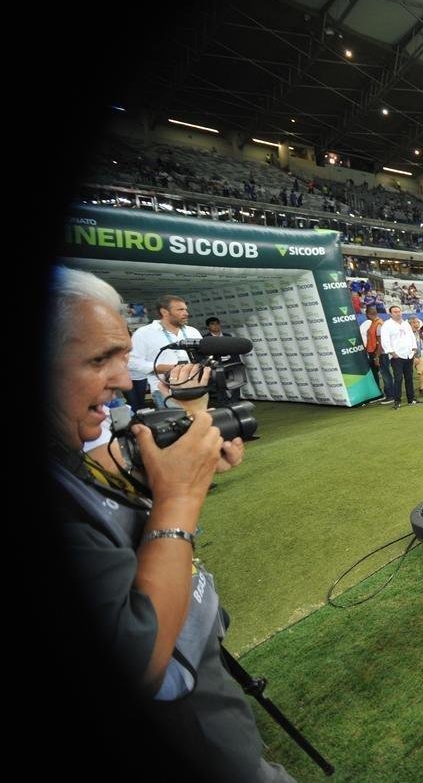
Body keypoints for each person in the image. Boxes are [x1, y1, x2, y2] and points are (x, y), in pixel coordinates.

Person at [47, 266, 292, 781]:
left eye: (120, 358)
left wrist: (184, 436)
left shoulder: (64, 448)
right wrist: (180, 495)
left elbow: (102, 476)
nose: (121, 380)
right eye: (99, 360)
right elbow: (138, 657)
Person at [130, 294, 203, 409]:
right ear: (164, 312)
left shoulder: (192, 331)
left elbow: (203, 356)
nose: (186, 313)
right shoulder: (143, 333)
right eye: (180, 310)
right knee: (178, 424)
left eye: (186, 309)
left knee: (200, 421)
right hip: (165, 390)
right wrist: (160, 367)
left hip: (196, 386)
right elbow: (132, 362)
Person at [382, 305, 421, 409]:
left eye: (399, 311)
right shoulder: (387, 325)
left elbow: (411, 336)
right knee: (398, 378)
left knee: (409, 378)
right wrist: (391, 352)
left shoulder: (405, 324)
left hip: (409, 354)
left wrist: (414, 348)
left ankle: (411, 399)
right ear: (390, 313)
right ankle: (397, 401)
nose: (398, 313)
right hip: (397, 356)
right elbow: (385, 340)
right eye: (395, 312)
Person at [361, 306, 394, 403]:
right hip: (374, 352)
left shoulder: (379, 324)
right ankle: (379, 394)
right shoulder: (374, 323)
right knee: (379, 374)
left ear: (368, 314)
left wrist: (377, 356)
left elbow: (381, 343)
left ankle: (390, 396)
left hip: (379, 353)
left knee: (385, 374)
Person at [409, 316, 423, 397]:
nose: (416, 324)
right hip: (410, 356)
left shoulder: (419, 332)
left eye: (417, 322)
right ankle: (410, 392)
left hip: (419, 355)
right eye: (414, 322)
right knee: (408, 374)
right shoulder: (407, 333)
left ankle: (422, 389)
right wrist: (413, 357)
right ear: (410, 324)